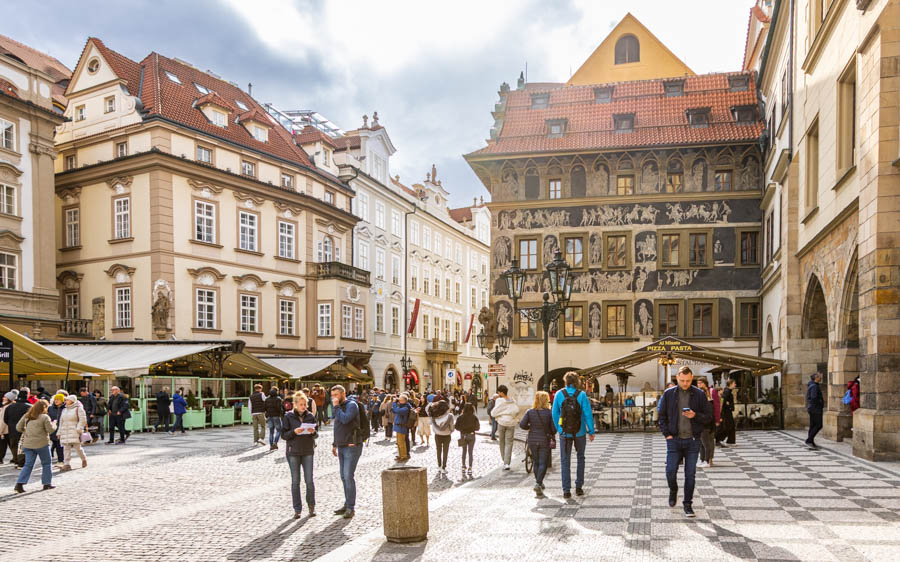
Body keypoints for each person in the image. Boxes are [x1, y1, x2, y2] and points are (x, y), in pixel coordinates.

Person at [658, 366, 712, 518]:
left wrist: (695, 415)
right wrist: (667, 434)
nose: (685, 383)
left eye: (688, 380)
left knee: (690, 474)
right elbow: (661, 416)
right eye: (682, 380)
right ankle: (673, 490)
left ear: (692, 378)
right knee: (670, 471)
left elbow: (708, 417)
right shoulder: (669, 394)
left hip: (693, 440)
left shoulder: (699, 394)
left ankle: (687, 504)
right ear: (677, 378)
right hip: (674, 440)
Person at [551, 372, 596, 498]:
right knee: (580, 458)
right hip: (580, 432)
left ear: (565, 381)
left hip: (565, 433)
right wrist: (591, 431)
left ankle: (566, 490)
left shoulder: (559, 394)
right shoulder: (582, 395)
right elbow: (587, 414)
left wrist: (559, 429)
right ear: (577, 382)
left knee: (565, 460)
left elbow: (554, 413)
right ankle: (579, 487)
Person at [282, 391, 318, 518]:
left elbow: (316, 434)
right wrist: (294, 432)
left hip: (308, 450)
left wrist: (313, 432)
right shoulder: (288, 416)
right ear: (295, 404)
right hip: (293, 452)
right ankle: (297, 509)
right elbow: (283, 435)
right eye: (301, 404)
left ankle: (311, 506)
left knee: (309, 480)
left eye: (305, 404)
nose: (303, 407)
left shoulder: (310, 416)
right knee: (295, 481)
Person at [331, 385, 362, 519]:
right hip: (342, 445)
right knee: (343, 476)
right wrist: (334, 444)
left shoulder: (351, 405)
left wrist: (336, 407)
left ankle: (350, 507)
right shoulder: (338, 407)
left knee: (348, 476)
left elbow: (345, 419)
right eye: (332, 395)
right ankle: (347, 503)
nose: (334, 398)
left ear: (343, 394)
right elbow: (337, 425)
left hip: (352, 445)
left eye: (336, 395)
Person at [14, 400, 56, 492]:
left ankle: (19, 483)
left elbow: (18, 428)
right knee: (46, 463)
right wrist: (54, 424)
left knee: (28, 465)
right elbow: (50, 430)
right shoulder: (44, 417)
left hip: (28, 444)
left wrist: (27, 432)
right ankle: (46, 483)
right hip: (42, 444)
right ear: (44, 408)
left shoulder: (27, 416)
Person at [520, 390, 556, 497]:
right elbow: (554, 429)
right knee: (543, 463)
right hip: (544, 439)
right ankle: (538, 483)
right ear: (546, 401)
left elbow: (522, 425)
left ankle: (538, 483)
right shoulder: (549, 413)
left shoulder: (530, 412)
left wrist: (530, 427)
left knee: (536, 462)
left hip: (532, 439)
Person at [491, 385, 519, 470]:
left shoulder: (499, 400)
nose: (498, 394)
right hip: (511, 423)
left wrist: (499, 416)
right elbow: (516, 410)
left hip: (502, 423)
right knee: (509, 443)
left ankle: (505, 461)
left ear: (502, 392)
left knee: (502, 442)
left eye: (499, 392)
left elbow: (494, 412)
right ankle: (507, 463)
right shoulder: (513, 400)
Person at [59, 394, 88, 471]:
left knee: (77, 448)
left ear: (72, 401)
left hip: (74, 431)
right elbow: (61, 421)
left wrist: (79, 429)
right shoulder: (64, 410)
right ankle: (67, 464)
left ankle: (83, 459)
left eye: (67, 400)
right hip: (65, 431)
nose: (66, 401)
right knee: (66, 448)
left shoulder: (78, 409)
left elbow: (83, 420)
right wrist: (59, 432)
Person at [4, 389, 31, 466]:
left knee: (14, 446)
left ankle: (16, 459)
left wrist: (10, 425)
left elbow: (5, 419)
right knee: (23, 445)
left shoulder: (10, 407)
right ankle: (21, 462)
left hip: (12, 430)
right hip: (25, 430)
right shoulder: (29, 407)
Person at [697, 379, 719, 468]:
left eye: (700, 383)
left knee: (707, 444)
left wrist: (717, 420)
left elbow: (714, 410)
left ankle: (707, 460)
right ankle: (702, 460)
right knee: (702, 444)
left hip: (706, 425)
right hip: (702, 425)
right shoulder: (702, 403)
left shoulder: (709, 402)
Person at [428, 399, 454, 474]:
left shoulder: (434, 415)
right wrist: (451, 430)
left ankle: (439, 466)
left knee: (438, 451)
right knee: (445, 451)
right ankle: (444, 467)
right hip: (447, 435)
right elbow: (452, 427)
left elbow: (431, 423)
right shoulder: (450, 416)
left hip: (437, 435)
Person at [455, 403, 480, 476]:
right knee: (470, 452)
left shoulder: (460, 417)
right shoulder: (474, 417)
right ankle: (470, 467)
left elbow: (456, 427)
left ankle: (463, 466)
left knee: (464, 451)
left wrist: (462, 429)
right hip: (471, 435)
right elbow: (477, 428)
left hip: (463, 435)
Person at [805, 372, 825, 450]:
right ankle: (809, 440)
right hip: (815, 408)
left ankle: (811, 441)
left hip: (812, 408)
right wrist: (820, 403)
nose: (821, 378)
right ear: (816, 378)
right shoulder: (814, 386)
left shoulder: (813, 385)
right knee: (819, 425)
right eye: (819, 376)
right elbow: (814, 397)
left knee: (813, 425)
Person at [391, 393, 412, 462]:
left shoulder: (406, 407)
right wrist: (395, 406)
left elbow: (398, 411)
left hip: (402, 427)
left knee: (402, 442)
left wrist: (394, 403)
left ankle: (404, 456)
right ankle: (400, 455)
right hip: (399, 426)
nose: (399, 401)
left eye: (400, 400)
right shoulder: (401, 406)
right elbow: (394, 410)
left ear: (404, 400)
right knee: (399, 443)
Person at [717, 379, 737, 447]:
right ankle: (718, 439)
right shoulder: (726, 392)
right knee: (727, 426)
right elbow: (722, 401)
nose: (735, 384)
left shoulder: (728, 391)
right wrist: (728, 405)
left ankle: (731, 441)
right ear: (730, 384)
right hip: (725, 412)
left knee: (731, 426)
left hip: (728, 411)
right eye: (734, 383)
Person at [47, 394, 65, 464]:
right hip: (53, 428)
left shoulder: (65, 408)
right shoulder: (50, 408)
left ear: (62, 400)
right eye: (55, 399)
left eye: (58, 399)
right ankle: (59, 459)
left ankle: (61, 460)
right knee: (55, 443)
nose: (56, 401)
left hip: (62, 429)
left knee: (59, 445)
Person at [0, 391, 14, 463]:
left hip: (4, 430)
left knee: (2, 446)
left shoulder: (5, 407)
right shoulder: (11, 406)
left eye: (5, 397)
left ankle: (0, 459)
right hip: (10, 429)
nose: (3, 398)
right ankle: (16, 458)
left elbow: (2, 420)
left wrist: (0, 431)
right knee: (12, 446)